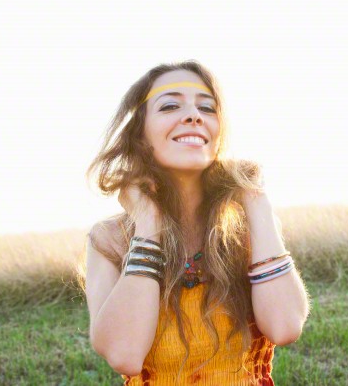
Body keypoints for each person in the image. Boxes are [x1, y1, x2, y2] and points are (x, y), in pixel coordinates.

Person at [83, 60, 311, 385]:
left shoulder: (245, 230)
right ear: (140, 134)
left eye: (207, 107)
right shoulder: (109, 240)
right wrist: (149, 224)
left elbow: (285, 327)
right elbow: (124, 354)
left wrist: (255, 197)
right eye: (171, 105)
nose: (194, 116)